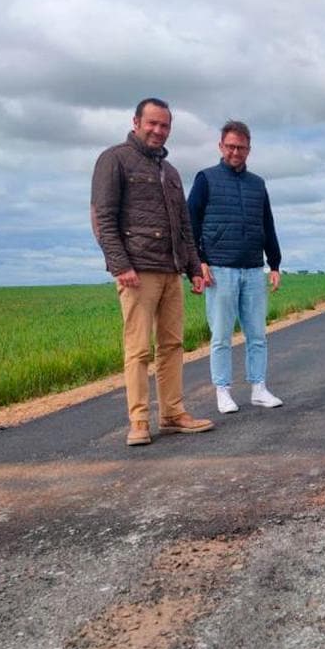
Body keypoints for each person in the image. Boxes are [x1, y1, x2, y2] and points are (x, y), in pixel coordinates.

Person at [90, 97, 215, 446]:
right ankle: (140, 421)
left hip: (170, 270)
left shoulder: (171, 172)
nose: (159, 131)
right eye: (153, 124)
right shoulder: (114, 159)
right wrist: (120, 265)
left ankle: (173, 415)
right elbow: (102, 217)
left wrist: (193, 269)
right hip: (137, 271)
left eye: (165, 126)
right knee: (139, 349)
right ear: (136, 122)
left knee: (173, 345)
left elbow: (184, 227)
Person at [188, 120, 284, 413]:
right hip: (220, 270)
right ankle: (223, 391)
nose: (235, 152)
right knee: (221, 336)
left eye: (241, 147)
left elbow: (267, 224)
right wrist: (198, 262)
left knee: (257, 334)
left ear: (248, 150)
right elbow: (190, 222)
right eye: (230, 146)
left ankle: (258, 388)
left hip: (253, 269)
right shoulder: (206, 178)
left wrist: (275, 263)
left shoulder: (258, 184)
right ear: (221, 146)